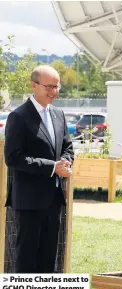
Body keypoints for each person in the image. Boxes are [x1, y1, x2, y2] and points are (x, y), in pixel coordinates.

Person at [5, 65, 74, 274]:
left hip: (53, 200)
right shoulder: (18, 117)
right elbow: (13, 158)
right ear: (34, 86)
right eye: (49, 87)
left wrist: (65, 162)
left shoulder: (59, 115)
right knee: (27, 259)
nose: (54, 91)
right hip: (28, 202)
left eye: (56, 86)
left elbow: (68, 147)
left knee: (49, 259)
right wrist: (53, 167)